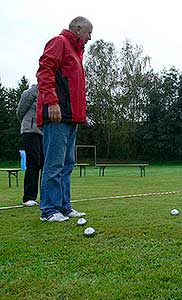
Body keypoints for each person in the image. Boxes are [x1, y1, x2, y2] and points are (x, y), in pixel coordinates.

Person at [36, 16, 93, 222]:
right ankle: (49, 210)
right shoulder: (59, 42)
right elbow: (45, 72)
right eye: (88, 33)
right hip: (57, 116)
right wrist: (52, 102)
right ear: (78, 29)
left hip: (70, 118)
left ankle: (64, 206)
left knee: (67, 164)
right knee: (54, 164)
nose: (90, 38)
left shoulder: (77, 53)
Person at [16, 84, 44, 207]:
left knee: (44, 163)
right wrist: (28, 124)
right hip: (30, 131)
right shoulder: (30, 92)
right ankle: (28, 197)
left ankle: (46, 196)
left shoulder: (50, 93)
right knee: (33, 162)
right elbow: (20, 112)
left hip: (44, 133)